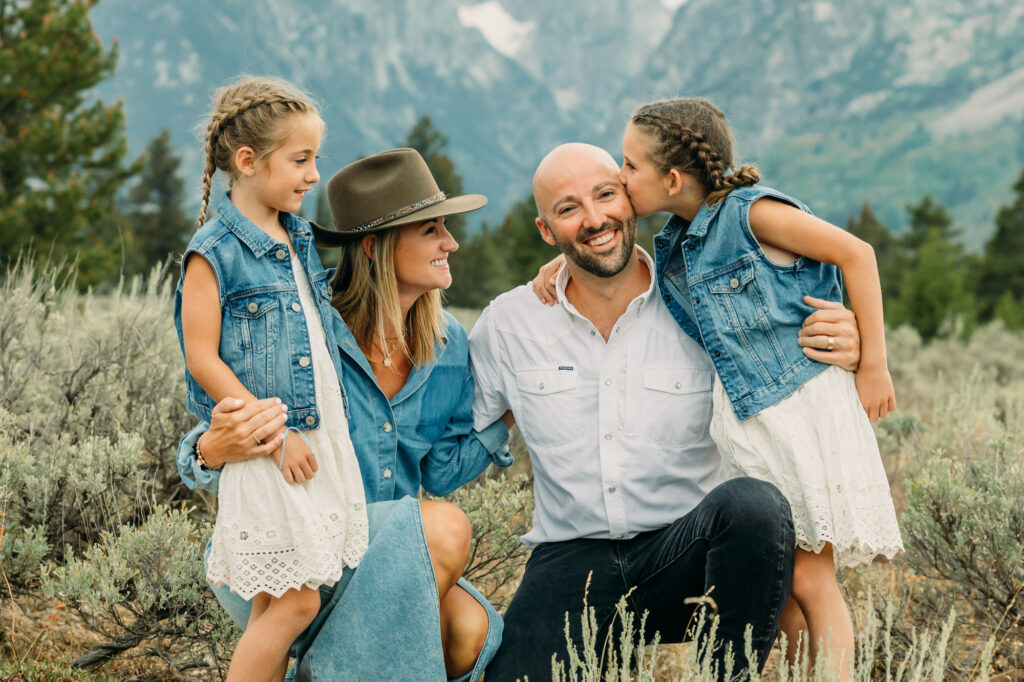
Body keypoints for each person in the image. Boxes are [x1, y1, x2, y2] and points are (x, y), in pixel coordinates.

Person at [473, 142, 864, 681]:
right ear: (547, 231)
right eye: (568, 209)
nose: (594, 219)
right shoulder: (508, 325)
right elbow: (455, 436)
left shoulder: (701, 308)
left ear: (631, 201)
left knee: (754, 507)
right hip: (570, 562)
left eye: (606, 194)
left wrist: (847, 337)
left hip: (686, 557)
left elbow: (787, 340)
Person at [176, 148, 512, 681]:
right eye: (431, 230)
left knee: (468, 631)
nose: (451, 243)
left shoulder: (447, 344)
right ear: (377, 246)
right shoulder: (306, 327)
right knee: (444, 532)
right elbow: (205, 442)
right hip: (292, 546)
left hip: (382, 557)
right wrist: (208, 450)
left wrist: (509, 412)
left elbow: (441, 471)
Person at [618, 98, 903, 677]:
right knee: (785, 583)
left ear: (671, 179)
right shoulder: (675, 243)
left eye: (628, 167)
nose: (617, 178)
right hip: (750, 422)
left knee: (810, 577)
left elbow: (857, 252)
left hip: (797, 407)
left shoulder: (753, 214)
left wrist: (873, 361)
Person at [173, 76, 368, 682]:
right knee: (297, 601)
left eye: (315, 159)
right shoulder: (214, 251)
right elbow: (202, 358)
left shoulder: (297, 234)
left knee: (279, 599)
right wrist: (275, 435)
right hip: (270, 441)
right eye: (300, 159)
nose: (313, 175)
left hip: (313, 434)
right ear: (248, 161)